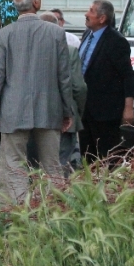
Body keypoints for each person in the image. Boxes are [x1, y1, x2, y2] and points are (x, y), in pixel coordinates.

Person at [0, 0, 73, 202]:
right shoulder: (56, 33)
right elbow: (64, 77)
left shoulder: (3, 35)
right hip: (49, 108)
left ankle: (21, 213)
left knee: (15, 164)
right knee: (52, 165)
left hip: (12, 109)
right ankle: (55, 213)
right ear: (36, 3)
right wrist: (68, 110)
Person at [77, 0, 134, 163]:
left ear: (102, 18)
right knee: (87, 157)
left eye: (91, 11)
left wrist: (128, 108)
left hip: (106, 112)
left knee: (107, 158)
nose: (86, 14)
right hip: (85, 110)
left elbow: (128, 75)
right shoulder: (87, 34)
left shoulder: (115, 41)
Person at [39, 11, 86, 174]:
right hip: (64, 117)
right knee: (61, 164)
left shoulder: (31, 51)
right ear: (58, 27)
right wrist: (77, 110)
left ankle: (38, 197)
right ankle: (57, 197)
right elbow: (79, 87)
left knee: (36, 165)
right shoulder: (71, 50)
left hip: (35, 117)